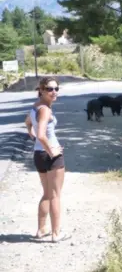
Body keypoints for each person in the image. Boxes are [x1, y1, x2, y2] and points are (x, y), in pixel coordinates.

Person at [24, 77, 70, 243]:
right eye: (50, 89)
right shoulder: (45, 110)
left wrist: (32, 135)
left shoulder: (35, 107)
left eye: (56, 88)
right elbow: (42, 135)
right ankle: (56, 233)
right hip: (50, 157)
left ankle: (42, 229)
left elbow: (28, 122)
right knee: (55, 195)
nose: (54, 92)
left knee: (47, 193)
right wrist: (52, 151)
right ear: (41, 90)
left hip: (38, 155)